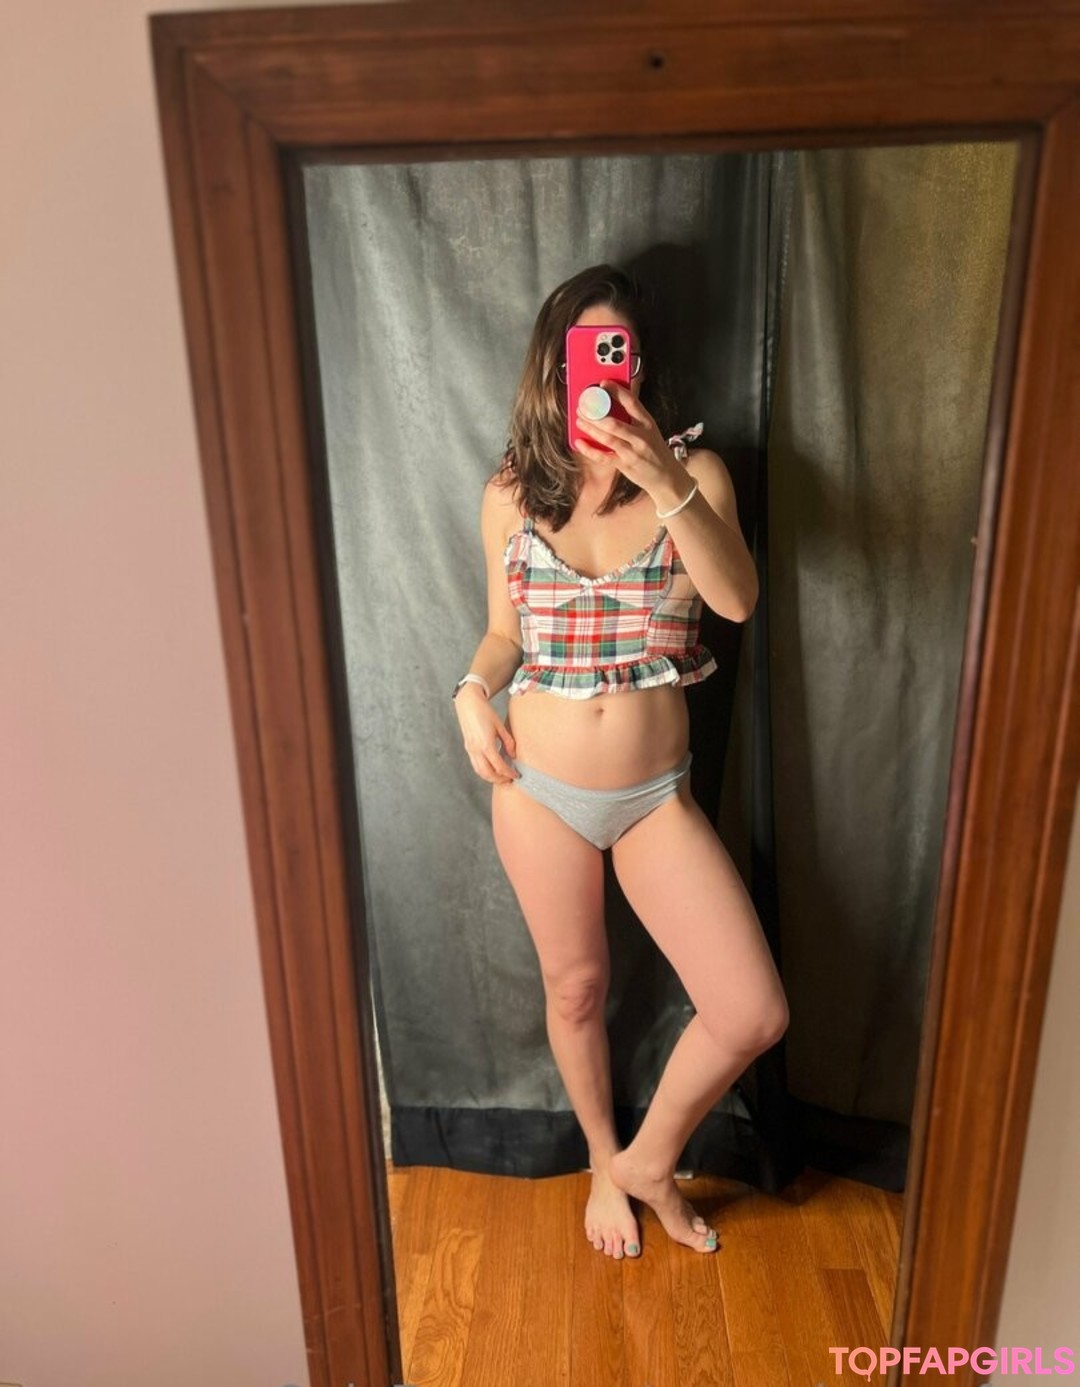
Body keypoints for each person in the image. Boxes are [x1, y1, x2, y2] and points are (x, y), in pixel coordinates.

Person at [452, 263, 789, 1261]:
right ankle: (606, 1158)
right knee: (575, 987)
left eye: (618, 356)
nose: (600, 378)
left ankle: (649, 1160)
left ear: (639, 367)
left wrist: (668, 482)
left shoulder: (697, 475)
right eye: (582, 359)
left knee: (752, 1009)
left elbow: (737, 601)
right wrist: (469, 691)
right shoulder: (511, 494)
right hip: (537, 789)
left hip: (653, 800)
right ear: (552, 370)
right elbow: (502, 636)